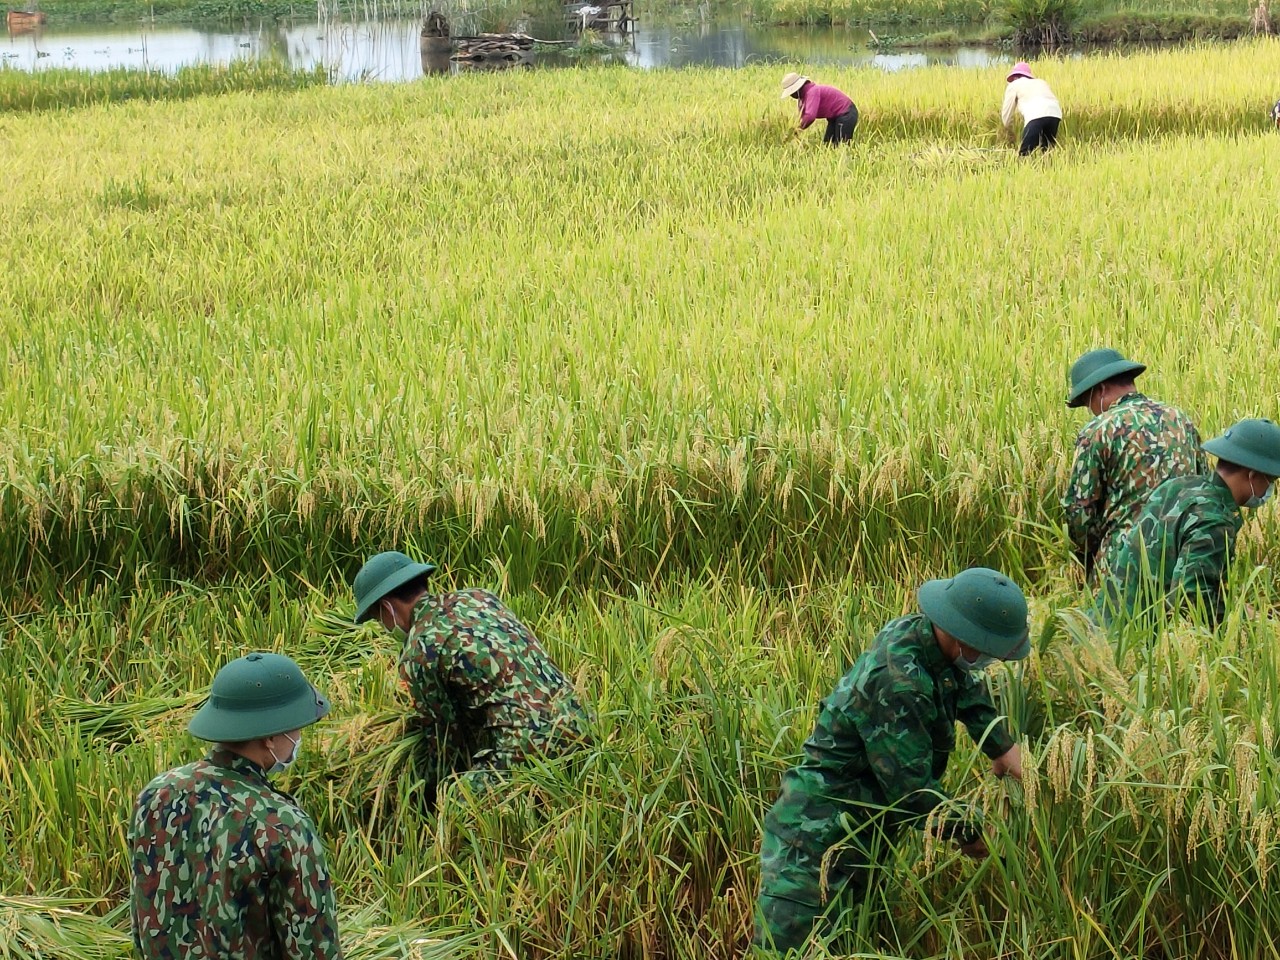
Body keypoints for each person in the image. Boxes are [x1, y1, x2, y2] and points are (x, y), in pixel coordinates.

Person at [753, 567, 1029, 954]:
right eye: (988, 653)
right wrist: (973, 832)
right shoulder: (901, 681)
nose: (987, 663)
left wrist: (1001, 747)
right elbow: (911, 793)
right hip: (814, 839)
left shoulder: (929, 640)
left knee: (848, 944)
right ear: (965, 638)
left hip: (862, 835)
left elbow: (963, 688)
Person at [130, 652, 341, 960]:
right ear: (270, 737)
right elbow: (314, 949)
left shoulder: (156, 795)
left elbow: (141, 918)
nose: (298, 737)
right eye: (297, 728)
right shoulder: (281, 825)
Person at [352, 551, 591, 795]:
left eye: (379, 619)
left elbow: (446, 744)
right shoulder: (480, 598)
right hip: (581, 724)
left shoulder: (418, 650)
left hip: (532, 746)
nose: (385, 627)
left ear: (387, 608)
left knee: (456, 798)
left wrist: (426, 797)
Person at [1095, 418, 1280, 628]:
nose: (1269, 491)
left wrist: (1236, 605)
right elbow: (1191, 602)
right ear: (1253, 476)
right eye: (1271, 481)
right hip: (1134, 639)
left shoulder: (1177, 487)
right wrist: (1249, 623)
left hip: (1105, 621)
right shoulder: (1214, 521)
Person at [1062, 348, 1207, 583]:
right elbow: (1203, 487)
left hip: (1122, 568)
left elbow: (1080, 515)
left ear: (1100, 390)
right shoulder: (1180, 420)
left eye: (1088, 402)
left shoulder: (1099, 429)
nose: (1091, 411)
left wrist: (1088, 559)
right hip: (1182, 564)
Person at [780, 72, 858, 146]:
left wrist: (797, 129)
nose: (791, 95)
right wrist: (792, 132)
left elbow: (810, 116)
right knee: (828, 145)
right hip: (835, 117)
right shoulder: (803, 97)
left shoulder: (812, 92)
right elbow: (802, 117)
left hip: (846, 113)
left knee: (842, 145)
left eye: (791, 93)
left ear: (797, 89)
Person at [1001, 61, 1062, 155]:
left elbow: (1007, 111)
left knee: (1025, 152)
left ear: (1015, 76)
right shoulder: (1041, 82)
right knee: (1047, 150)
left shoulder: (1014, 85)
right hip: (1055, 114)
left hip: (1036, 114)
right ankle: (1048, 167)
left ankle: (1022, 167)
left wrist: (1007, 128)